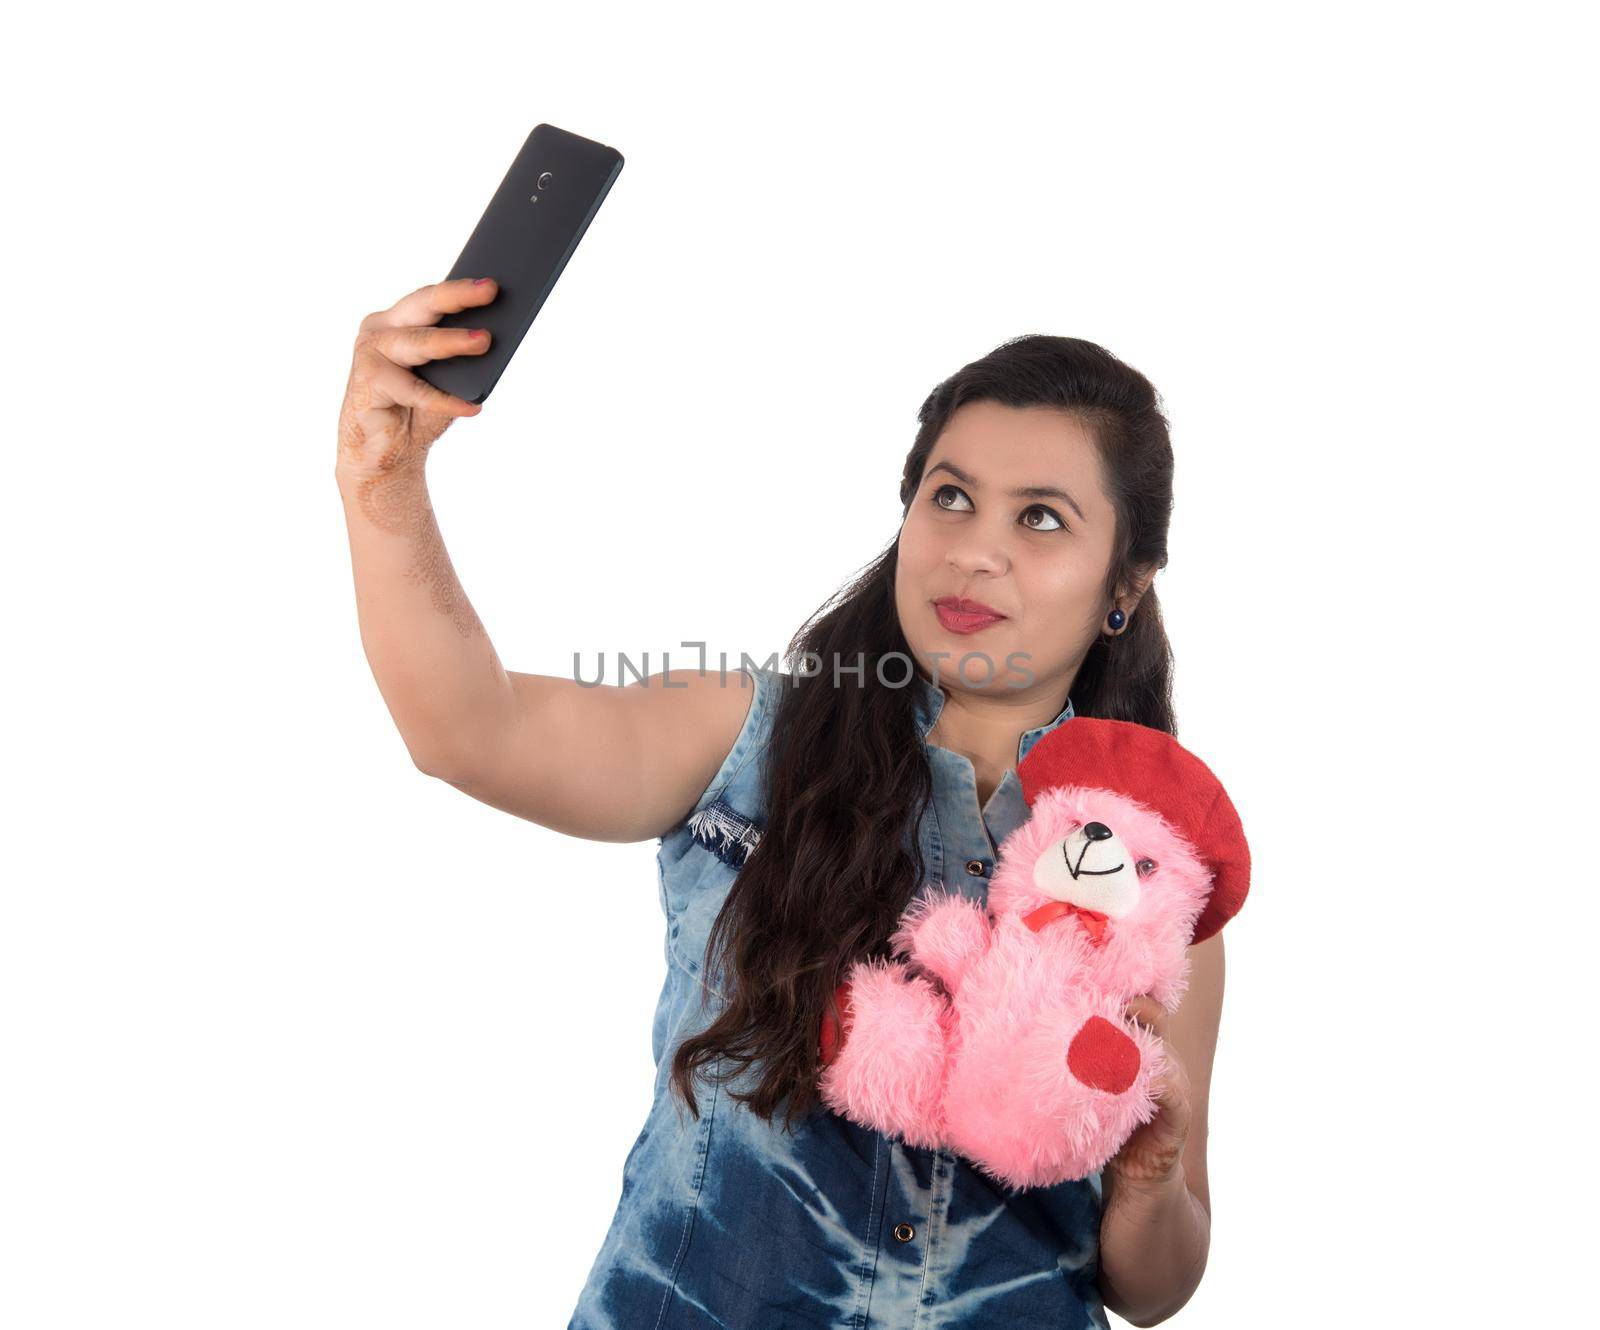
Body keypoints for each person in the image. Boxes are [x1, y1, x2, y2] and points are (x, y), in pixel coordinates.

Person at [335, 277, 1225, 1328]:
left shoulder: (1155, 884)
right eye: (949, 496)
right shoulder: (745, 734)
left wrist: (1150, 1177)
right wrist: (384, 481)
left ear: (1124, 582)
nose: (974, 547)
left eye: (1040, 517)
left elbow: (1150, 1288)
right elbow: (468, 731)